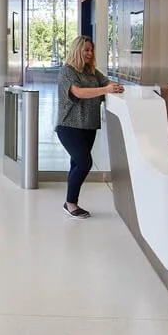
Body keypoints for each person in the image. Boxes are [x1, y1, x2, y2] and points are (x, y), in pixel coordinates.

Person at [56, 35, 123, 218]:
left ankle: (69, 202)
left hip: (89, 126)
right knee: (85, 162)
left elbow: (106, 82)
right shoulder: (67, 71)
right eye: (86, 49)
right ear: (77, 50)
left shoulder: (92, 71)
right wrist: (105, 90)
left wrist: (113, 86)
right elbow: (78, 92)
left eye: (91, 50)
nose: (90, 53)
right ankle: (71, 203)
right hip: (69, 126)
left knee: (77, 163)